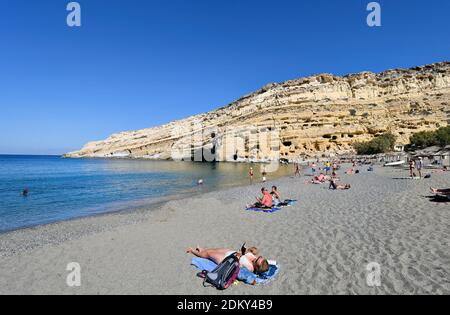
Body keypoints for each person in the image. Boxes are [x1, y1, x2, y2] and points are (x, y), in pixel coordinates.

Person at [186, 246, 270, 275]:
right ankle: (202, 250)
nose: (256, 258)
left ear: (256, 267)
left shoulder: (250, 268)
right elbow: (248, 253)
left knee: (209, 254)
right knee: (214, 250)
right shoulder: (254, 258)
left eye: (257, 261)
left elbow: (237, 267)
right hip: (231, 253)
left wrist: (239, 256)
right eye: (259, 257)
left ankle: (193, 251)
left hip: (226, 260)